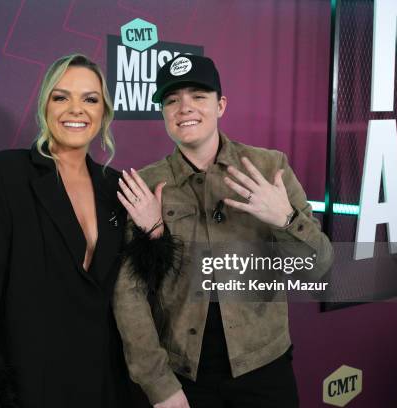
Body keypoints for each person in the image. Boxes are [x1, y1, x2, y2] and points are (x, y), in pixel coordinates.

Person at [113, 55, 334, 408]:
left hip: (265, 369)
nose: (185, 107)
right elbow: (130, 295)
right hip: (183, 378)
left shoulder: (269, 167)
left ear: (221, 105)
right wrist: (159, 385)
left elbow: (318, 268)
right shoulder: (147, 184)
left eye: (198, 96)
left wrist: (286, 219)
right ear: (164, 114)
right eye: (172, 100)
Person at [0, 54, 155, 408]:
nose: (76, 109)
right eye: (61, 97)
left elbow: (138, 293)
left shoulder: (118, 188)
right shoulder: (1, 175)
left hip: (104, 383)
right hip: (30, 383)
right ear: (44, 105)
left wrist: (153, 234)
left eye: (90, 99)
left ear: (104, 111)